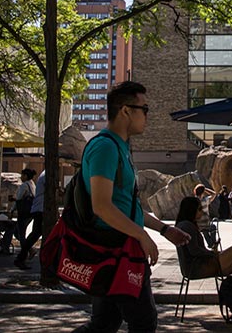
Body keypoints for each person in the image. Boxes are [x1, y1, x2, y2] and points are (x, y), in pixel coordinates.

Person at [74, 81, 192, 333]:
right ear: (126, 111)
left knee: (105, 323)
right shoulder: (104, 147)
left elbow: (128, 207)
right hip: (114, 250)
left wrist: (163, 230)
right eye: (144, 108)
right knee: (143, 321)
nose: (147, 115)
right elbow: (102, 206)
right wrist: (141, 235)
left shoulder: (121, 148)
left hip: (118, 249)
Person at [174, 196, 232, 281]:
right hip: (197, 267)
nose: (202, 211)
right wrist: (213, 253)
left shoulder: (185, 225)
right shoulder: (187, 226)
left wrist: (212, 252)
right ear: (191, 210)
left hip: (196, 266)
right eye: (199, 209)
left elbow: (196, 250)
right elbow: (195, 251)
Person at [15, 168, 47, 270]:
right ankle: (22, 256)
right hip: (39, 208)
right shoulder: (44, 177)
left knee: (34, 233)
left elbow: (19, 198)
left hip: (37, 208)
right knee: (34, 234)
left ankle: (22, 256)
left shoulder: (40, 177)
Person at [14, 168, 37, 266]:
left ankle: (27, 251)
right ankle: (29, 249)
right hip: (30, 212)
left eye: (22, 175)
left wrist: (12, 208)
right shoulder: (32, 184)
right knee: (19, 232)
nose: (21, 177)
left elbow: (19, 199)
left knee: (20, 233)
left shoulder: (24, 185)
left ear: (26, 176)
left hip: (23, 212)